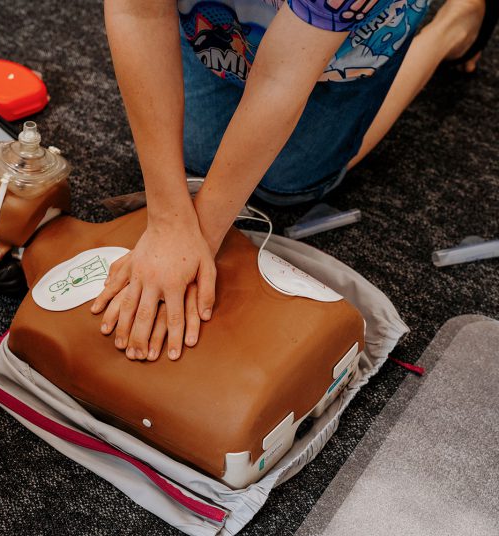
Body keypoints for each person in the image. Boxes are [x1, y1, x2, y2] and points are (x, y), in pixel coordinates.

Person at [91, 0, 495, 361]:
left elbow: (280, 78)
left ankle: (452, 27)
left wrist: (197, 243)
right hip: (225, 19)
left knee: (287, 182)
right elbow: (137, 11)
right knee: (194, 156)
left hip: (344, 42)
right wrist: (169, 223)